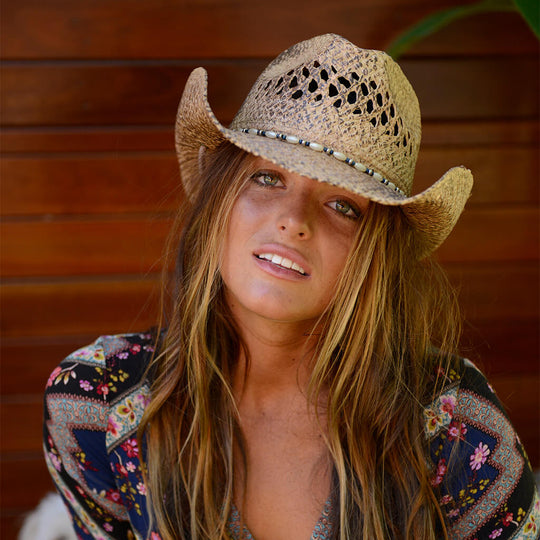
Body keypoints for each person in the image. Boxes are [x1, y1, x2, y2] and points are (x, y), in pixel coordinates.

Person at [43, 34, 539, 540]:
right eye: (267, 178)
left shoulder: (453, 425)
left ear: (375, 257)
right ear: (219, 198)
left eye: (343, 206)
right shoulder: (94, 401)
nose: (293, 221)